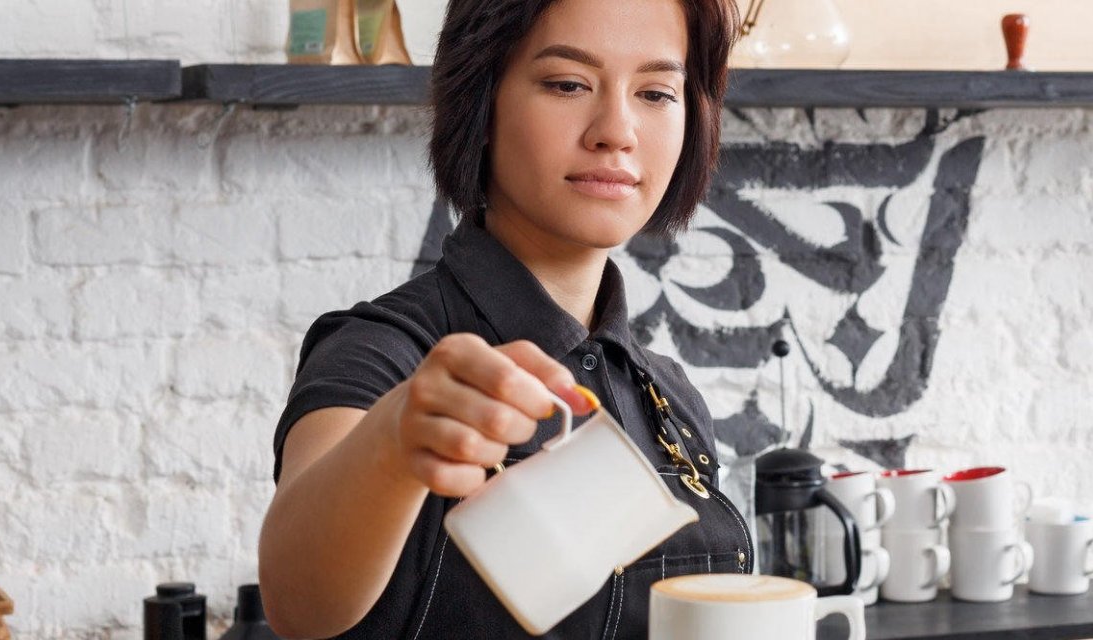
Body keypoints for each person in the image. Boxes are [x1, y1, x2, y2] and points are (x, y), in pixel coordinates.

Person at [257, 0, 746, 636]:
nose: (617, 130)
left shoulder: (669, 396)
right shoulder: (384, 353)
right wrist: (393, 443)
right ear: (481, 103)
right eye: (568, 84)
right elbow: (299, 602)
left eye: (655, 92)